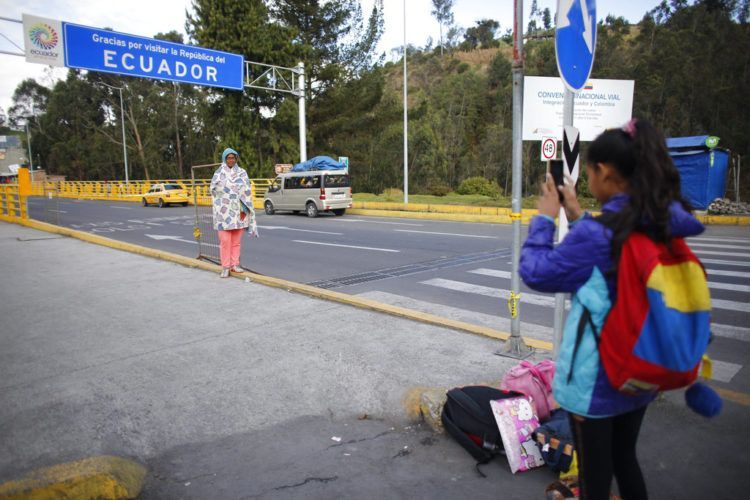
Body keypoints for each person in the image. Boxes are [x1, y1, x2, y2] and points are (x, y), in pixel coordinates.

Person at [520, 119, 703, 499]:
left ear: (603, 171)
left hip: (596, 386)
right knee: (625, 460)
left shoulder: (599, 236)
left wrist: (543, 218)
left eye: (589, 173)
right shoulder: (656, 222)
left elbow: (535, 273)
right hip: (641, 372)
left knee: (595, 479)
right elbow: (610, 258)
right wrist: (576, 213)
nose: (588, 182)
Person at [210, 148, 257, 278]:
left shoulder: (242, 172)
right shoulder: (218, 173)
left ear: (236, 158)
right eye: (228, 158)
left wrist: (245, 205)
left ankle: (235, 264)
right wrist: (227, 191)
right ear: (224, 159)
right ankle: (225, 266)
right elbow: (213, 190)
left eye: (233, 158)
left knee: (236, 241)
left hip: (238, 212)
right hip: (223, 213)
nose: (231, 160)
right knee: (225, 241)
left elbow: (247, 189)